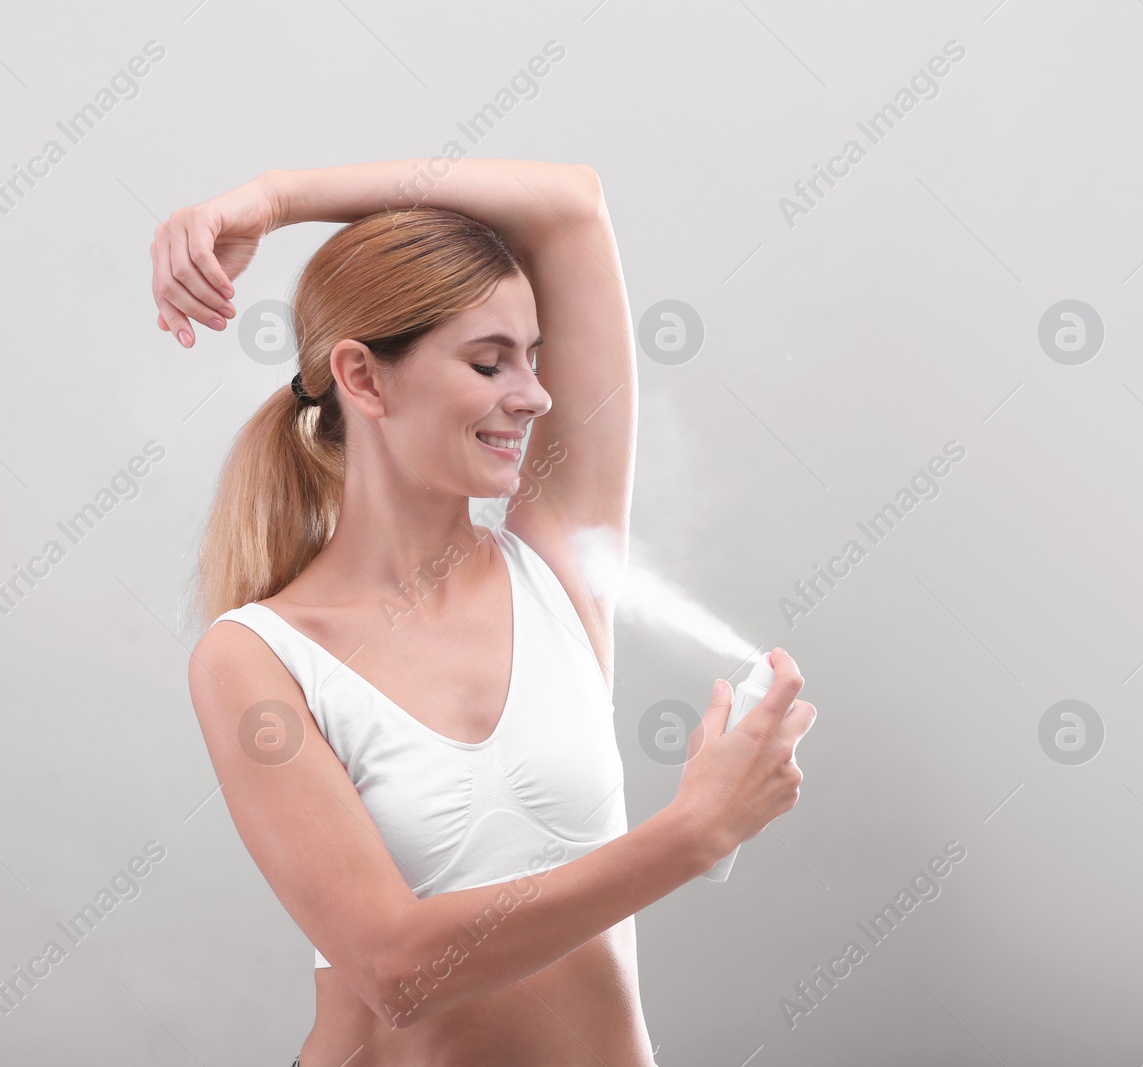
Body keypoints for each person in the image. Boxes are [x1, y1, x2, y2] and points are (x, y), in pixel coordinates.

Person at [152, 159, 817, 1065]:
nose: (534, 394)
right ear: (364, 377)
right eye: (488, 360)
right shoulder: (257, 659)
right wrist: (692, 832)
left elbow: (572, 205)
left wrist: (273, 200)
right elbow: (395, 968)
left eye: (534, 358)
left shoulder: (558, 561)